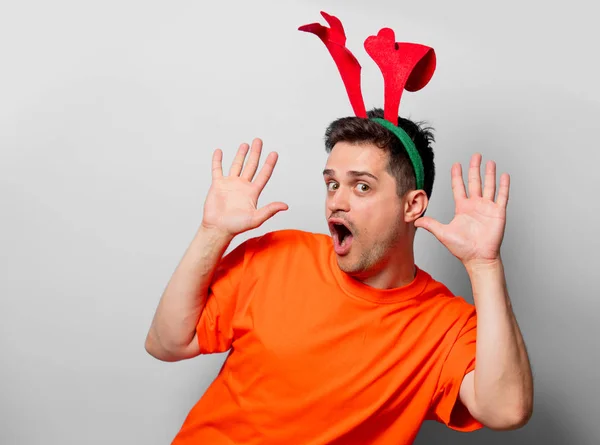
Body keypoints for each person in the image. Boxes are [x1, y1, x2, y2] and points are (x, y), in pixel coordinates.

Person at [145, 12, 533, 445]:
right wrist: (212, 232)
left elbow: (506, 410)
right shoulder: (276, 255)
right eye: (332, 183)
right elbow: (166, 344)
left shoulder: (443, 324)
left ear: (413, 206)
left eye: (361, 186)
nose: (337, 200)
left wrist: (484, 266)